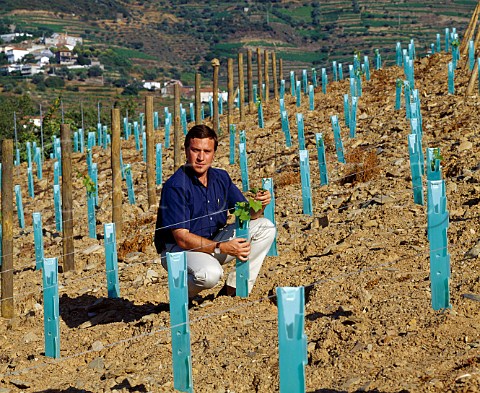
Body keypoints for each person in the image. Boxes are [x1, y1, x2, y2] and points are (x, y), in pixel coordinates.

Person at [154, 124, 276, 298]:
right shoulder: (176, 186)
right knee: (209, 274)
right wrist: (222, 247)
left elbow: (246, 214)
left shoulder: (221, 177)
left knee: (265, 227)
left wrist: (260, 205)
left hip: (213, 242)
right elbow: (182, 238)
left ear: (214, 153)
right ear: (186, 150)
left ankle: (232, 291)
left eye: (207, 151)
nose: (201, 157)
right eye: (196, 150)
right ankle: (180, 297)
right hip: (179, 251)